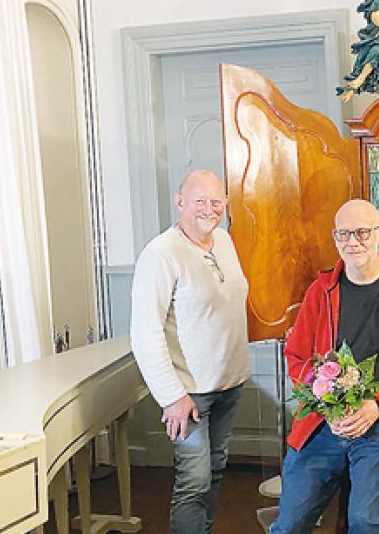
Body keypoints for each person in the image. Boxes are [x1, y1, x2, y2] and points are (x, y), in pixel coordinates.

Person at [270, 199, 379, 534]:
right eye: (344, 234)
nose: (353, 242)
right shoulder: (320, 291)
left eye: (362, 232)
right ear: (335, 238)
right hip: (323, 422)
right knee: (289, 524)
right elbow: (296, 356)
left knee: (365, 521)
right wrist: (325, 401)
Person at [130, 169, 249, 534]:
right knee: (194, 482)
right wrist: (172, 397)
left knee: (214, 472)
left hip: (230, 383)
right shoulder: (160, 254)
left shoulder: (223, 240)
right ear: (179, 202)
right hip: (189, 394)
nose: (209, 209)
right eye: (199, 201)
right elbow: (145, 334)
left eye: (216, 201)